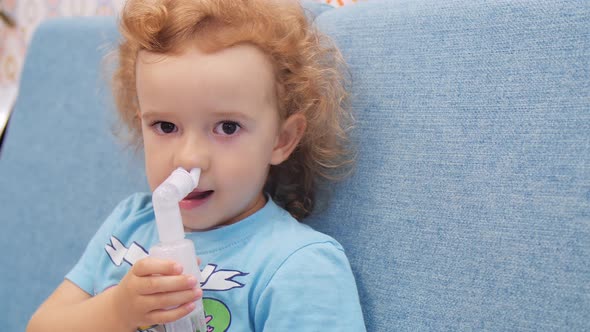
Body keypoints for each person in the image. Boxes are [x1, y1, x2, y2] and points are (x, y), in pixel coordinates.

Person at [27, 0, 365, 331]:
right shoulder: (129, 223)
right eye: (165, 126)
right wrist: (119, 311)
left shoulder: (299, 267)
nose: (188, 158)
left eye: (227, 127)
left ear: (282, 139)